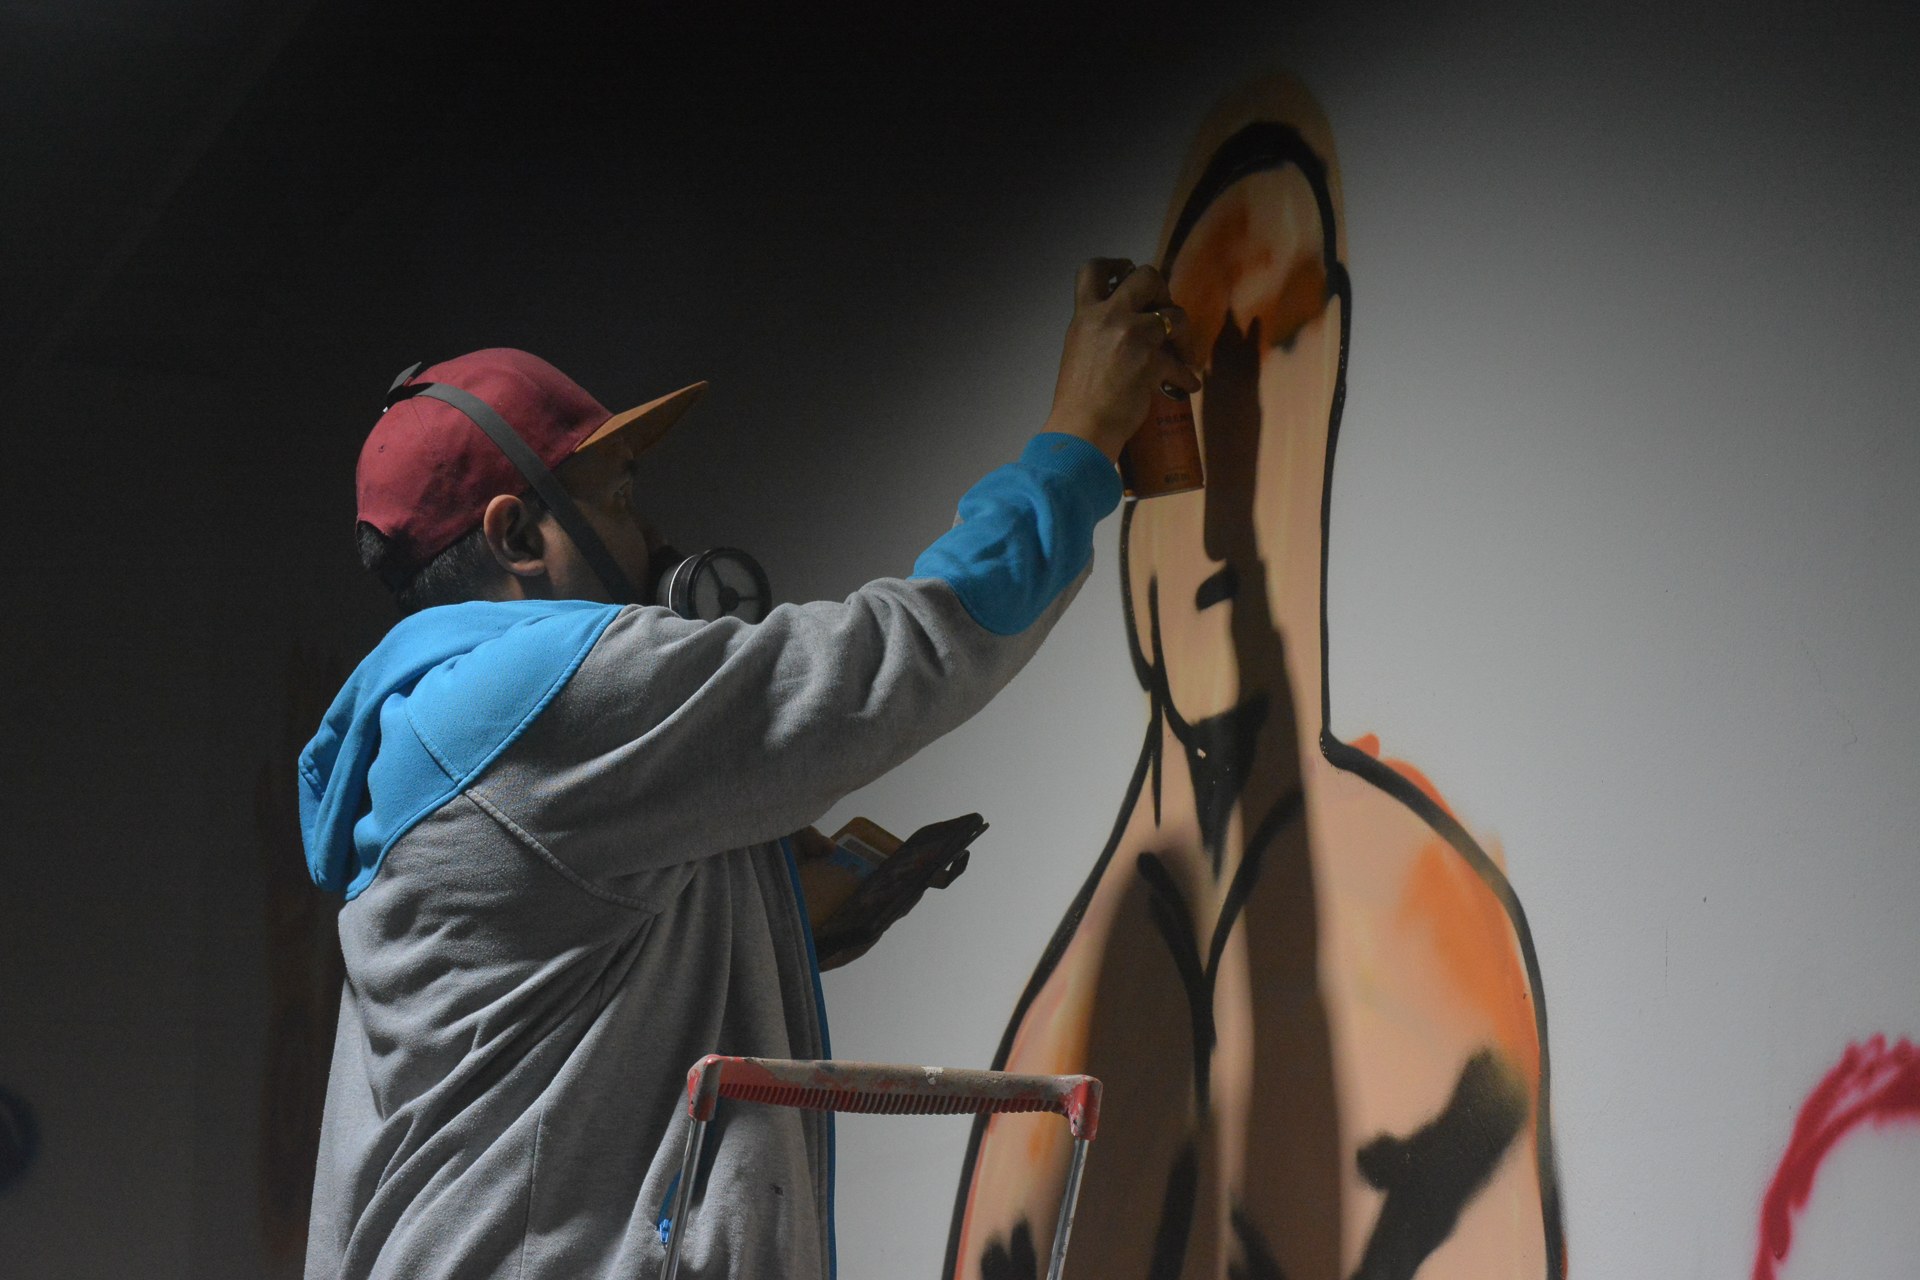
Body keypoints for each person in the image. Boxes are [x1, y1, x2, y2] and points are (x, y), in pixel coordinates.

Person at [296, 259, 1198, 1279]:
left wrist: (766, 918)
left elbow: (555, 994)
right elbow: (901, 656)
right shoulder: (535, 696)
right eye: (619, 497)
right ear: (517, 534)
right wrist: (1079, 442)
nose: (654, 536)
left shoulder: (436, 735)